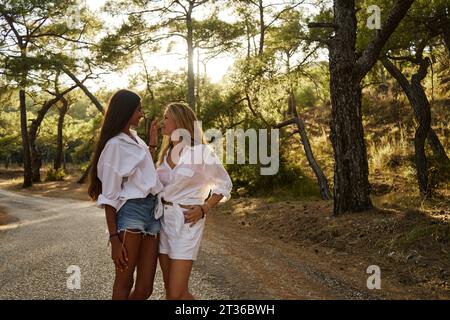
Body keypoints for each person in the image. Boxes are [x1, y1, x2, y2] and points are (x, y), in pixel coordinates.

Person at [88, 89, 162, 300]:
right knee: (124, 280)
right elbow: (109, 196)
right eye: (138, 110)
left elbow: (141, 170)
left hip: (153, 213)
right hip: (131, 213)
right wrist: (114, 240)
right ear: (126, 111)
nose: (141, 114)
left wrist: (152, 145)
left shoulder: (135, 139)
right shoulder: (114, 145)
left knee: (145, 288)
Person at [155, 102, 233, 300]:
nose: (162, 121)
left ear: (179, 122)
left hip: (187, 221)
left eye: (166, 117)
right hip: (163, 221)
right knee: (173, 292)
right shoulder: (165, 154)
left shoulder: (201, 153)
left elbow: (224, 184)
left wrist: (204, 207)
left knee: (175, 294)